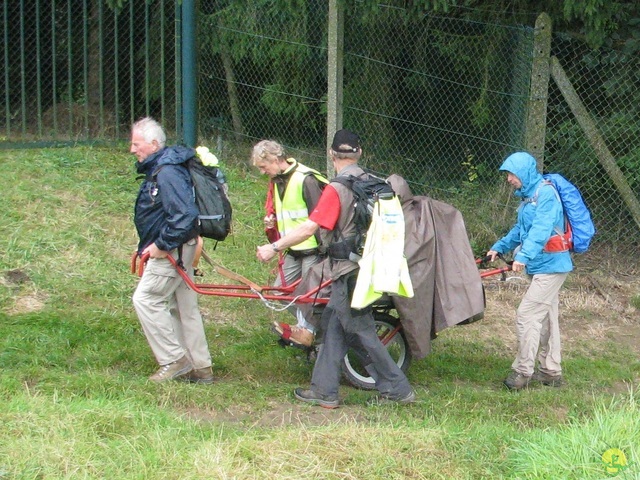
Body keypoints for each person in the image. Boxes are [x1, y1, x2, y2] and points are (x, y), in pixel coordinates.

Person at [257, 129, 415, 408]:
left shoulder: (337, 189)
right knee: (333, 326)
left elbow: (310, 227)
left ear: (331, 155)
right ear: (360, 153)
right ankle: (324, 390)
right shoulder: (374, 183)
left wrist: (275, 247)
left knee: (360, 330)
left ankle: (397, 389)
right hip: (370, 266)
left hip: (346, 271)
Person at [130, 117, 214, 384]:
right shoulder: (167, 167)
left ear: (154, 144)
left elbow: (184, 215)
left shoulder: (167, 171)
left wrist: (160, 244)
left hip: (172, 250)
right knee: (183, 306)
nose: (133, 150)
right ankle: (200, 368)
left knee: (147, 299)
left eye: (136, 144)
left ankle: (174, 360)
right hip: (179, 247)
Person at [487, 151, 573, 390]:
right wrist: (500, 246)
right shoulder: (528, 197)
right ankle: (551, 372)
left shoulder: (546, 194)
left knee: (526, 315)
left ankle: (522, 372)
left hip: (553, 266)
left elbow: (542, 229)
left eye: (511, 174)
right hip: (543, 265)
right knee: (546, 317)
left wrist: (523, 256)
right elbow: (521, 229)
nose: (509, 179)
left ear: (523, 172)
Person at [251, 140, 328, 347]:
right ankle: (310, 329)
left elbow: (320, 218)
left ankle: (309, 333)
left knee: (308, 296)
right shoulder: (278, 180)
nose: (262, 172)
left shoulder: (306, 179)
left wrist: (323, 252)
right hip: (292, 250)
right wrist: (273, 221)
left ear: (275, 160)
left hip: (313, 250)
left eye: (263, 167)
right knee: (279, 292)